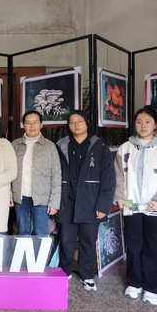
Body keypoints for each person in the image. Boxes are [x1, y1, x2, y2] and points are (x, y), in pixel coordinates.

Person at [114, 106, 157, 305]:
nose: (143, 126)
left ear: (155, 124)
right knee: (133, 244)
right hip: (131, 205)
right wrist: (120, 197)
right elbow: (118, 176)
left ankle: (152, 288)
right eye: (139, 122)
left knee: (153, 246)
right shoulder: (125, 148)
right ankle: (134, 283)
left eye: (147, 122)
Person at [56, 110, 115, 291]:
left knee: (88, 241)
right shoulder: (61, 145)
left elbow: (109, 179)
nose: (76, 125)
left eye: (79, 121)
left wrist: (103, 205)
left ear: (87, 123)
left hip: (91, 202)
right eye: (72, 121)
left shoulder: (99, 146)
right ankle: (65, 271)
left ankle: (87, 275)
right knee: (66, 240)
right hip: (67, 201)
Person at [11, 110, 61, 236]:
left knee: (41, 234)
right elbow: (9, 172)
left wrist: (54, 202)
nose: (32, 126)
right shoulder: (15, 145)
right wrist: (10, 194)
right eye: (28, 122)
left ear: (41, 125)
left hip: (41, 199)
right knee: (23, 232)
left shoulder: (50, 146)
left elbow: (56, 175)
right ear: (23, 125)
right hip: (20, 198)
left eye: (35, 122)